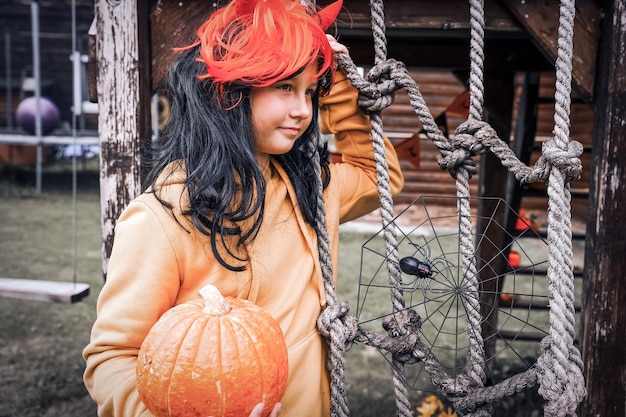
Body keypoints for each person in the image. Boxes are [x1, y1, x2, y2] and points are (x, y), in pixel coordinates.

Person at [83, 0, 404, 416]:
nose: (303, 110)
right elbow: (112, 357)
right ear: (231, 91)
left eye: (310, 92)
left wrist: (339, 84)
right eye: (285, 88)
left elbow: (380, 177)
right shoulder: (161, 218)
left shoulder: (310, 190)